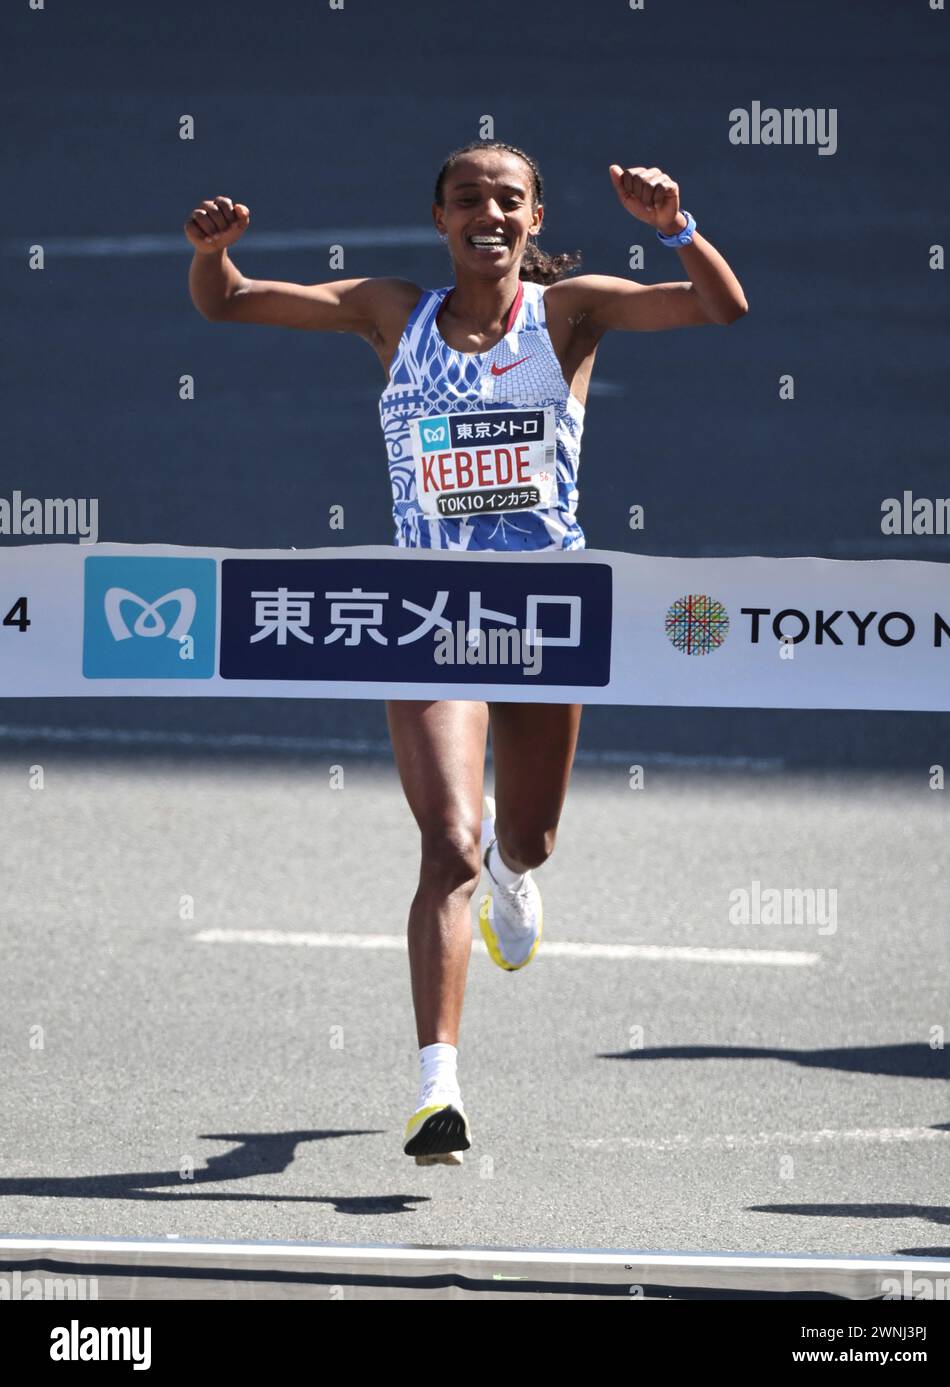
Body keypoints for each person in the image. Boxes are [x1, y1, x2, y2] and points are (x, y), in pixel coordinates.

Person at [185, 139, 748, 1166]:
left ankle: (512, 861)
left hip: (546, 619)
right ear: (438, 217)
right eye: (465, 199)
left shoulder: (567, 312)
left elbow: (721, 309)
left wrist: (673, 227)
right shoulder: (391, 312)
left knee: (523, 838)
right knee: (442, 843)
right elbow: (229, 303)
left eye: (507, 199)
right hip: (425, 614)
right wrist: (212, 253)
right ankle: (434, 1091)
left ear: (534, 219)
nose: (486, 212)